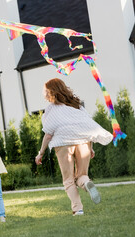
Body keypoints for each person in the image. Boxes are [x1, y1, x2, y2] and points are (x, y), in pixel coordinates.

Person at [35, 78, 113, 216]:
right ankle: (87, 184)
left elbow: (48, 135)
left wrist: (40, 153)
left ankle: (78, 209)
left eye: (46, 91)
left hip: (63, 144)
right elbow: (87, 126)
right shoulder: (77, 106)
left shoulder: (51, 109)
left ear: (52, 92)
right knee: (82, 175)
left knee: (69, 180)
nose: (45, 94)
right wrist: (91, 147)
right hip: (84, 143)